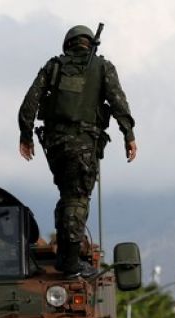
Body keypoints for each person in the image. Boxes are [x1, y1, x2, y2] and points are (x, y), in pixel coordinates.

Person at [18, 24, 137, 277]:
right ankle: (71, 265)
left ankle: (64, 257)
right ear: (90, 43)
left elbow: (30, 102)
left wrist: (25, 134)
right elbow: (118, 102)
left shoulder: (54, 67)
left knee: (67, 194)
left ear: (68, 44)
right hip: (83, 143)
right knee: (77, 198)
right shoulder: (103, 67)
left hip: (54, 145)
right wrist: (128, 134)